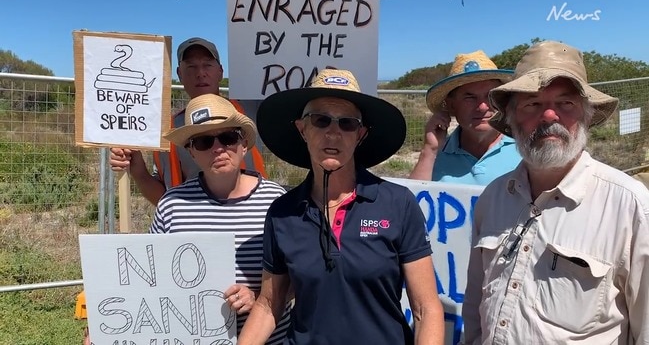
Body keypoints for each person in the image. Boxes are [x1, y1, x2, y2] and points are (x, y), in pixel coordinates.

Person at [238, 69, 445, 344]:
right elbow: (268, 304)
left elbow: (425, 309)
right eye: (321, 120)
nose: (333, 133)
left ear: (360, 134)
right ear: (302, 128)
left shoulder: (398, 204)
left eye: (346, 123)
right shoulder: (282, 212)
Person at [462, 40, 649, 344]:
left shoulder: (629, 205)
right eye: (532, 104)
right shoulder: (493, 198)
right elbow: (474, 308)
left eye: (566, 103)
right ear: (510, 118)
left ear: (585, 115)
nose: (549, 116)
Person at [151, 93, 292, 343]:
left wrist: (259, 296)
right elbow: (152, 280)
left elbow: (297, 277)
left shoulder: (276, 200)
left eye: (228, 137)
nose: (218, 148)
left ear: (244, 144)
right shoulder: (172, 204)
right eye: (204, 141)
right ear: (191, 152)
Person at [109, 37, 267, 205]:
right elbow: (165, 199)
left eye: (207, 65)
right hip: (195, 227)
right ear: (179, 74)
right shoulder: (169, 132)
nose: (200, 73)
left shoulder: (251, 110)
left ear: (220, 71)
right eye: (191, 66)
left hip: (254, 220)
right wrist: (138, 171)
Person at [409, 50, 521, 185]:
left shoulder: (525, 149)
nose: (483, 107)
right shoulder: (436, 153)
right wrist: (429, 150)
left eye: (490, 96)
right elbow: (411, 202)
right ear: (451, 105)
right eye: (470, 97)